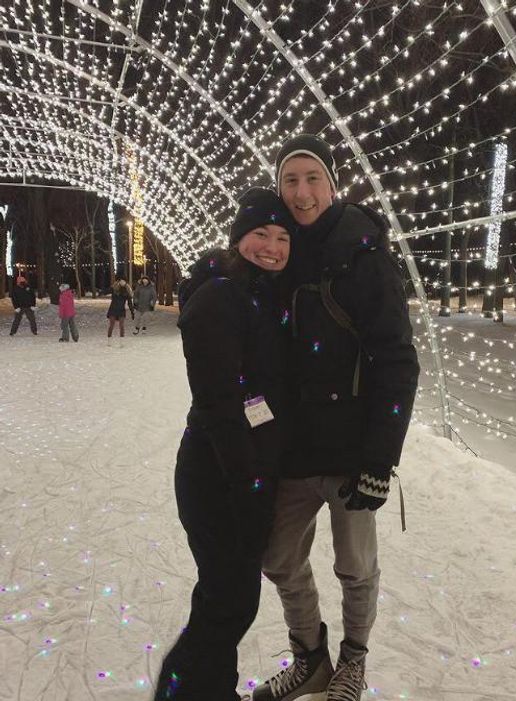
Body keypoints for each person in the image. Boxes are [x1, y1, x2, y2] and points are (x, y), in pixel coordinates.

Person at [251, 135, 419, 701]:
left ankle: (353, 661)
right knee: (278, 557)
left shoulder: (364, 255)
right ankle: (310, 658)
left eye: (312, 178)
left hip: (352, 451)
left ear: (332, 183)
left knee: (355, 567)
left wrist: (379, 458)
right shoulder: (277, 252)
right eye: (290, 181)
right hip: (295, 449)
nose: (302, 193)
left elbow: (397, 360)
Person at [153, 188, 295, 701]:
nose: (272, 247)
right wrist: (248, 487)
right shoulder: (220, 296)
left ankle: (212, 690)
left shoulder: (262, 294)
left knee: (227, 597)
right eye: (260, 234)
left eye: (282, 237)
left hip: (244, 469)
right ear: (238, 239)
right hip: (218, 474)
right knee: (228, 601)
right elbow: (219, 405)